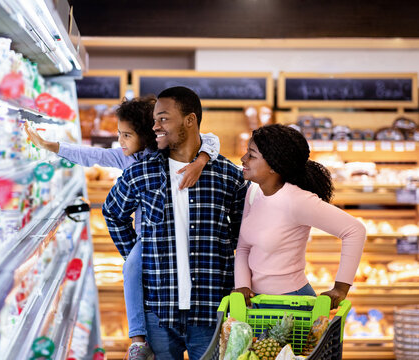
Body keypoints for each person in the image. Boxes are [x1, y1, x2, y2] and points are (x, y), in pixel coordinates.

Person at [25, 96, 221, 360]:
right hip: (148, 237)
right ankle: (138, 337)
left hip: (182, 235)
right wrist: (51, 146)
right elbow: (92, 154)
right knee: (131, 267)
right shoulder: (126, 159)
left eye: (127, 135)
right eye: (120, 134)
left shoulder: (170, 151)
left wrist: (201, 161)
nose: (121, 141)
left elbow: (210, 139)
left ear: (147, 134)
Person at [102, 86, 248, 360]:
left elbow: (243, 236)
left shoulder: (228, 176)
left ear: (190, 120)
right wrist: (138, 254)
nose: (155, 126)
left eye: (164, 118)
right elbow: (113, 212)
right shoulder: (141, 173)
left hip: (210, 309)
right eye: (155, 119)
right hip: (158, 310)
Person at [234, 124, 366, 309]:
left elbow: (355, 230)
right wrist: (242, 287)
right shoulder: (254, 193)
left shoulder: (297, 200)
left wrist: (340, 288)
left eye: (252, 155)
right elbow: (243, 248)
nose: (243, 159)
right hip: (256, 303)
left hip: (290, 304)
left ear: (274, 166)